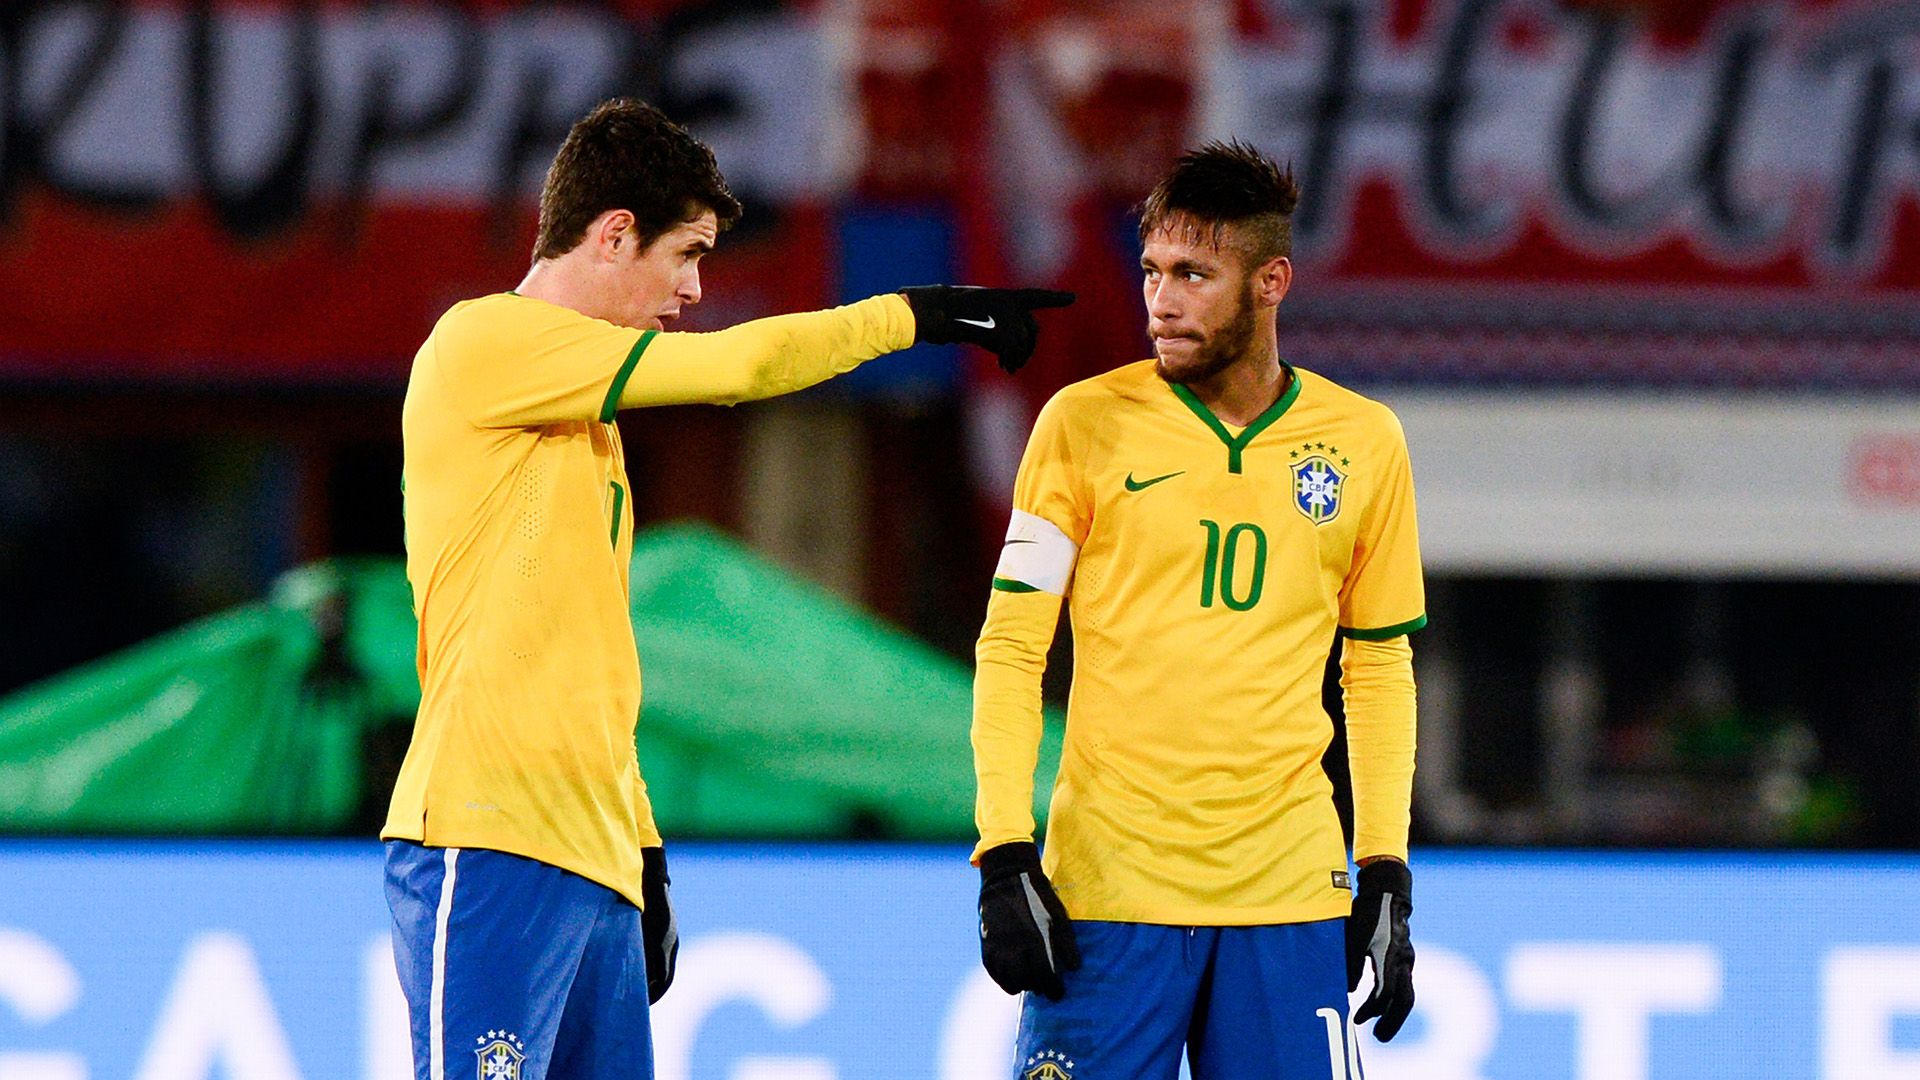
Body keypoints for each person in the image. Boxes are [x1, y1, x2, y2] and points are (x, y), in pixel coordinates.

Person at [381, 97, 1070, 1080]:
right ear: (615, 234)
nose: (696, 288)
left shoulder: (586, 429)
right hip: (486, 838)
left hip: (596, 860)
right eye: (687, 253)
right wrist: (911, 314)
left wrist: (643, 844)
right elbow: (739, 366)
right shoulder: (480, 345)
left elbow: (581, 659)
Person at [970, 140, 1422, 1080]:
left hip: (1289, 897)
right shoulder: (1079, 426)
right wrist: (1005, 852)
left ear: (1271, 282)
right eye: (1150, 271)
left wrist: (1385, 869)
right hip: (1109, 895)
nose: (1161, 301)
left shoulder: (1364, 444)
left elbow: (1376, 665)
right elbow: (1012, 648)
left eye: (1193, 274)